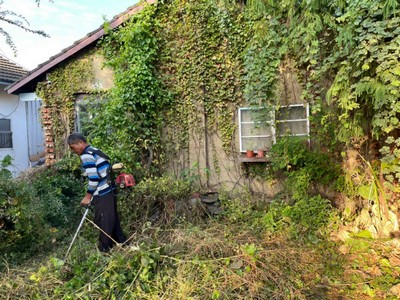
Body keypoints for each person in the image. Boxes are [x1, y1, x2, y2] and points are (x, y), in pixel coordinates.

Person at [67, 132, 126, 252]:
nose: (74, 151)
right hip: (110, 189)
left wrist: (87, 196)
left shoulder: (86, 155)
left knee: (104, 222)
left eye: (73, 148)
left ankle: (104, 250)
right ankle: (123, 245)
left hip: (103, 192)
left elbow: (94, 178)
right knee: (112, 219)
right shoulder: (95, 150)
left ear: (80, 143)